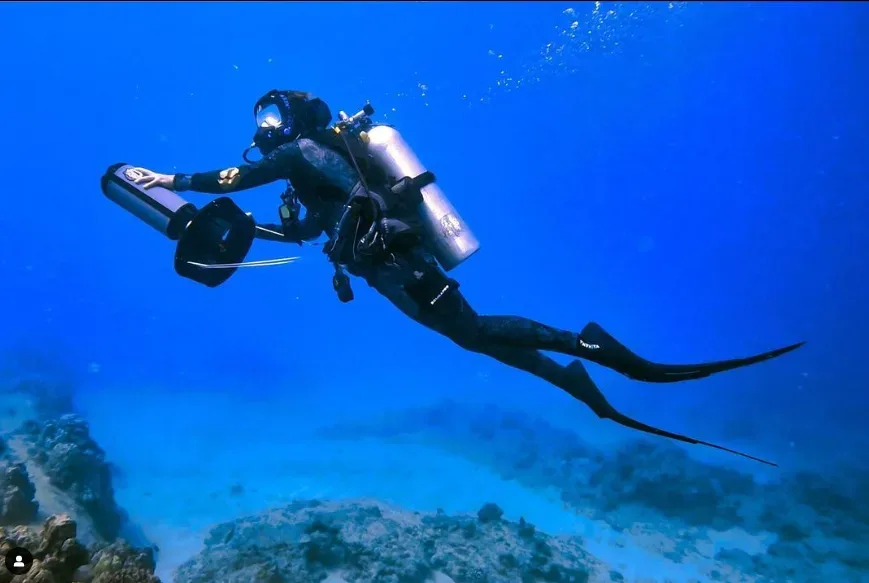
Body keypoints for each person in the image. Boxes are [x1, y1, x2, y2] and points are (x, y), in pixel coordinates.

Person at [130, 89, 804, 466]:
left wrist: (171, 181)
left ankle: (596, 350)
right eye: (260, 122)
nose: (264, 129)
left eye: (269, 118)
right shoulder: (312, 167)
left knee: (474, 329)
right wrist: (257, 232)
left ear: (294, 120)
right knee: (469, 339)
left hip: (397, 260)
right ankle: (572, 379)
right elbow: (309, 230)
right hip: (383, 267)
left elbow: (233, 176)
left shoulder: (303, 151)